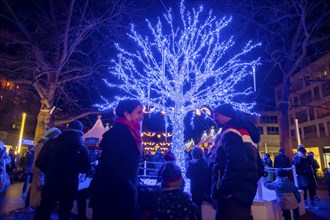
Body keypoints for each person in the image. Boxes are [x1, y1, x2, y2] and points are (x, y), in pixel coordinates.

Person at [89, 99, 144, 220]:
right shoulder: (119, 134)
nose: (142, 116)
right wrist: (129, 187)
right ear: (127, 114)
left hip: (121, 193)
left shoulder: (131, 133)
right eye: (139, 112)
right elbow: (112, 167)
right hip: (114, 197)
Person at [211, 103, 264, 220]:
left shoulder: (229, 131)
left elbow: (237, 161)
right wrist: (248, 183)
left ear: (226, 115)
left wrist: (224, 188)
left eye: (216, 115)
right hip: (245, 193)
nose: (214, 119)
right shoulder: (245, 132)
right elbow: (259, 166)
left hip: (231, 196)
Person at [35, 120, 91, 220]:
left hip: (51, 183)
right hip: (70, 185)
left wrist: (49, 172)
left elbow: (39, 162)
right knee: (65, 213)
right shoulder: (82, 148)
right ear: (80, 132)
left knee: (45, 211)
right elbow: (85, 168)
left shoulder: (51, 143)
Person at [29, 127, 61, 210]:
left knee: (38, 194)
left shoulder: (43, 143)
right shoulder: (43, 145)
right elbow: (40, 161)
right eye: (57, 135)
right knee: (39, 195)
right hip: (40, 172)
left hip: (40, 171)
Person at [186, 146, 209, 219]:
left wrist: (190, 165)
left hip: (196, 189)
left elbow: (188, 175)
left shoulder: (194, 164)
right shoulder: (204, 163)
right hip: (203, 189)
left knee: (197, 209)